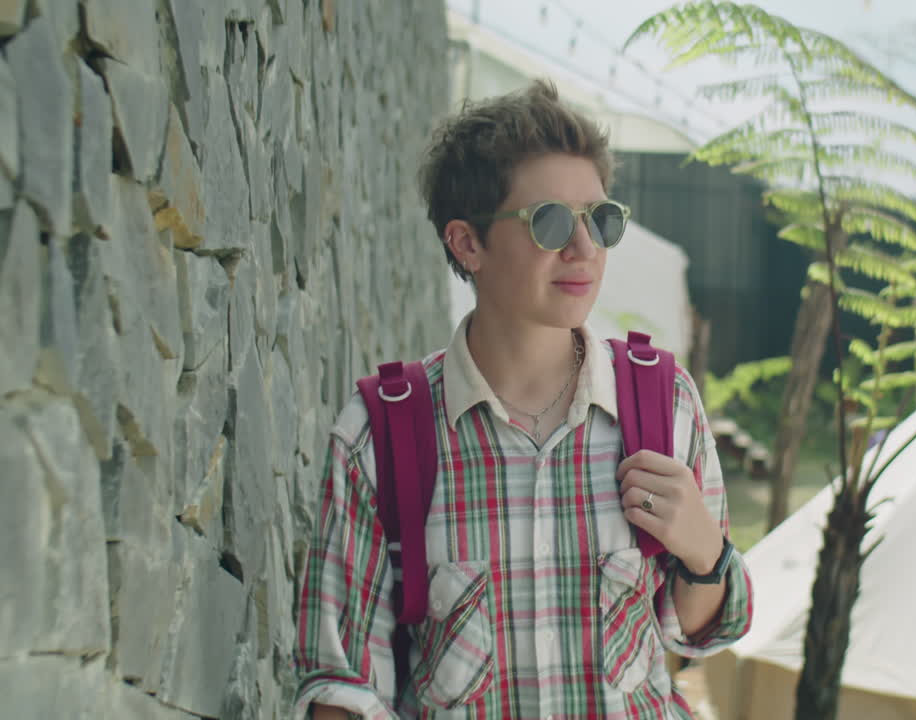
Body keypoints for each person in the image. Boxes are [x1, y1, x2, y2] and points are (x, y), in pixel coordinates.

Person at [293, 79, 753, 719]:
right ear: (467, 242)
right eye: (551, 222)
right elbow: (341, 688)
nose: (584, 249)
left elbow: (704, 634)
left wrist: (707, 555)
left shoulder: (663, 402)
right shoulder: (380, 435)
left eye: (600, 219)